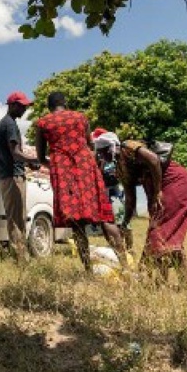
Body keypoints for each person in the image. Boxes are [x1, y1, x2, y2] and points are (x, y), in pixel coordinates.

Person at [34, 92, 128, 271]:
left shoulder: (43, 123)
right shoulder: (80, 118)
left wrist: (56, 165)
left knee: (77, 224)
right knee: (105, 218)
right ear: (64, 103)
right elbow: (90, 146)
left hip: (63, 176)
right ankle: (126, 268)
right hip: (87, 171)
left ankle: (88, 270)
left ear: (49, 106)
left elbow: (40, 157)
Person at [93, 131, 187, 288]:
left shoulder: (128, 147)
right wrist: (125, 222)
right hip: (156, 190)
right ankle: (180, 283)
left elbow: (154, 160)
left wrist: (157, 191)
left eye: (103, 151)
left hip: (174, 183)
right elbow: (130, 199)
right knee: (166, 236)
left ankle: (158, 283)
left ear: (111, 147)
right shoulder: (120, 168)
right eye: (99, 152)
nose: (101, 155)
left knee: (158, 234)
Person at [0, 91, 41, 263]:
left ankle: (20, 256)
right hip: (13, 176)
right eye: (21, 106)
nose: (24, 109)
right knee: (16, 219)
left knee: (17, 217)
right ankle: (20, 258)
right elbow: (15, 153)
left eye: (25, 106)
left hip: (10, 174)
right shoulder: (10, 125)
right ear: (12, 105)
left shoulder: (6, 123)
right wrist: (35, 159)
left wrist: (28, 163)